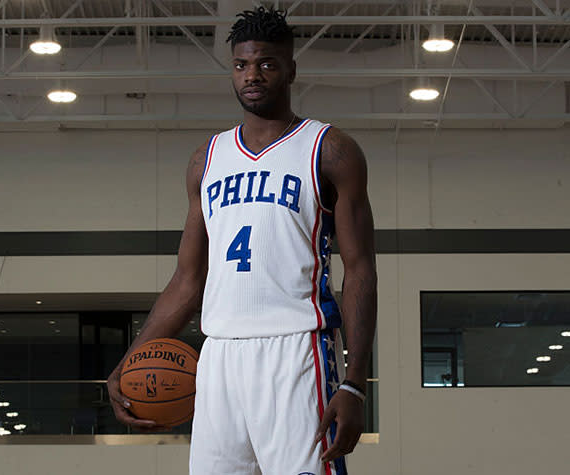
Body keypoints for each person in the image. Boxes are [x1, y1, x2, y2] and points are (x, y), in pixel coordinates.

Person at [107, 6, 377, 475]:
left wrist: (354, 383)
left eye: (267, 63)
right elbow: (188, 280)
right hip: (219, 355)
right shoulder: (206, 160)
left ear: (291, 69)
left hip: (296, 348)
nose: (252, 75)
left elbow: (360, 270)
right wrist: (130, 359)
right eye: (241, 65)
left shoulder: (329, 150)